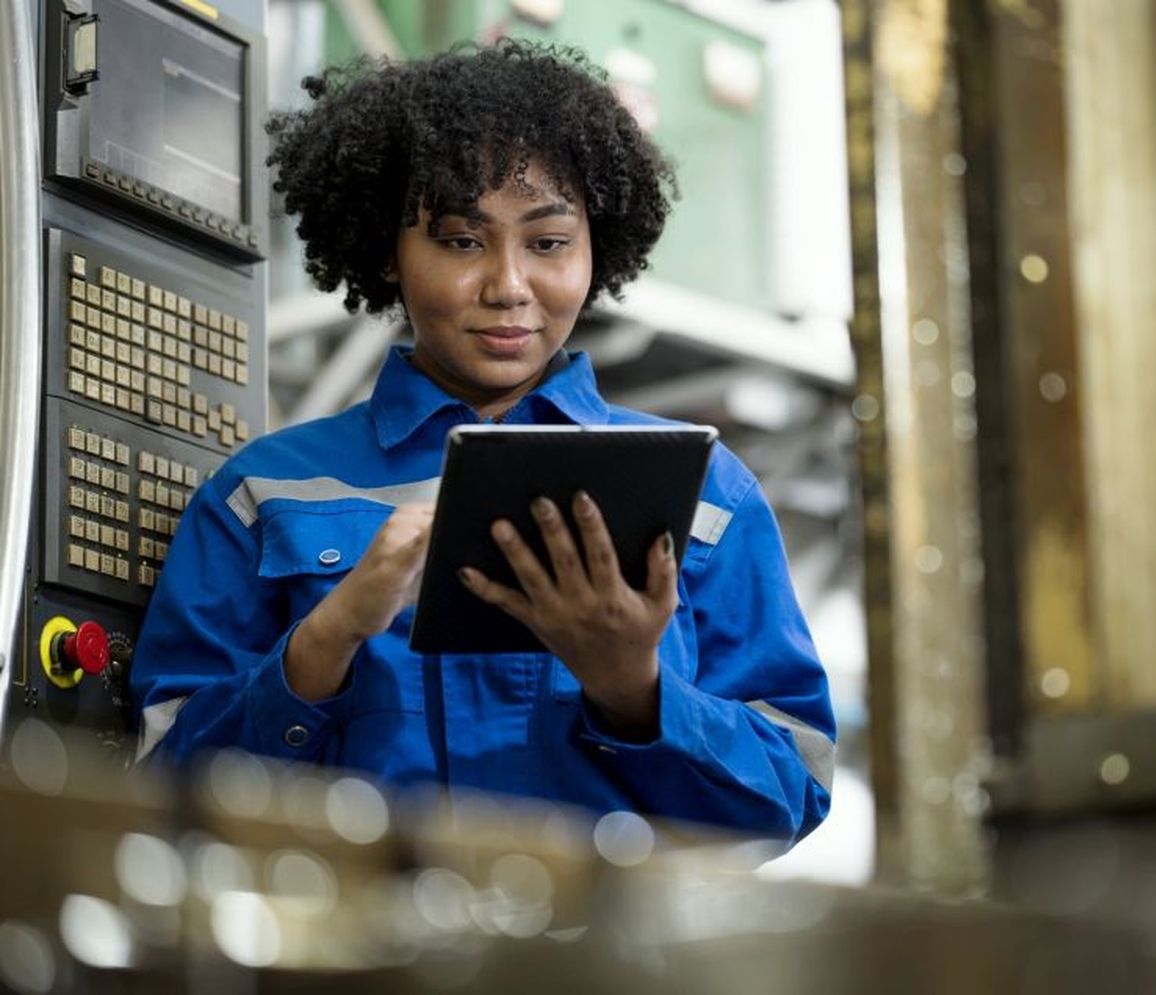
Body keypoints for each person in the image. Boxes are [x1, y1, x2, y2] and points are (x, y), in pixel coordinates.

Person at [129, 40, 834, 846]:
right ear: (387, 253)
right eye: (462, 240)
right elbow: (159, 795)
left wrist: (633, 686)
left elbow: (792, 791)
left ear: (597, 245)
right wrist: (330, 633)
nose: (508, 286)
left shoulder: (708, 493)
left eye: (548, 241)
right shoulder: (261, 495)